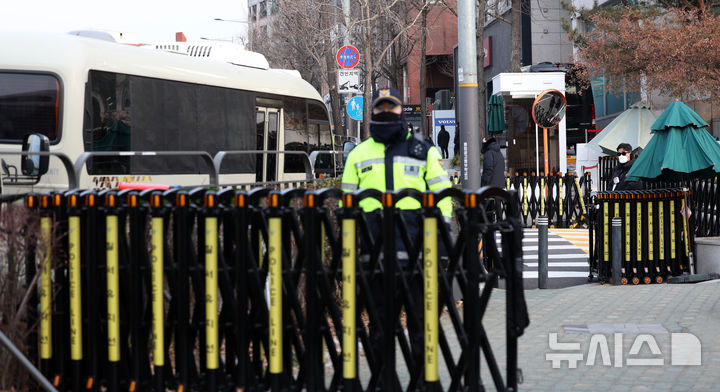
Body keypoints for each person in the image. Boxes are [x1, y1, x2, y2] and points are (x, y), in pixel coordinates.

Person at [340, 86, 452, 373]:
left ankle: (422, 381)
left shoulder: (422, 149)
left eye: (391, 108)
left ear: (401, 111)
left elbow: (443, 196)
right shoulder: (358, 154)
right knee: (380, 327)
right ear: (373, 112)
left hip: (416, 254)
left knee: (420, 326)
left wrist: (441, 240)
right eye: (381, 109)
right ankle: (382, 380)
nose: (386, 113)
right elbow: (347, 204)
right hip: (374, 253)